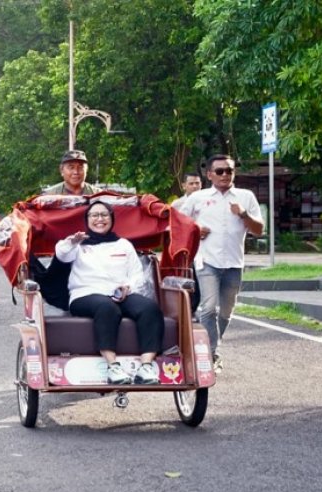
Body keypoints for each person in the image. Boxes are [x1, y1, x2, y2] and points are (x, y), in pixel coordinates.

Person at [55, 202, 164, 385]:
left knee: (150, 308)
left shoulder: (123, 244)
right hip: (86, 294)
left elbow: (136, 273)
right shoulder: (77, 244)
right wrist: (72, 241)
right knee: (107, 308)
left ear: (112, 219)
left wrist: (128, 286)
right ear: (87, 220)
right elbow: (62, 255)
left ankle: (146, 366)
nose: (100, 219)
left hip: (121, 293)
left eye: (104, 215)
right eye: (94, 215)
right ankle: (113, 366)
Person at [182, 154, 263, 373]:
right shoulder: (198, 198)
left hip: (234, 263)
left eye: (229, 170)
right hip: (207, 261)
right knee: (209, 308)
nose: (225, 175)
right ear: (209, 175)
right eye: (220, 171)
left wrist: (243, 214)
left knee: (226, 312)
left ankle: (208, 342)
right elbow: (179, 223)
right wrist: (195, 229)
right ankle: (210, 353)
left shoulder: (245, 197)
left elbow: (259, 230)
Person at [171, 172, 204, 313]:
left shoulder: (209, 201)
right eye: (191, 183)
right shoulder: (177, 205)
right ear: (184, 186)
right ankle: (190, 309)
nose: (195, 186)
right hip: (188, 249)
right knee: (191, 278)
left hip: (207, 248)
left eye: (198, 183)